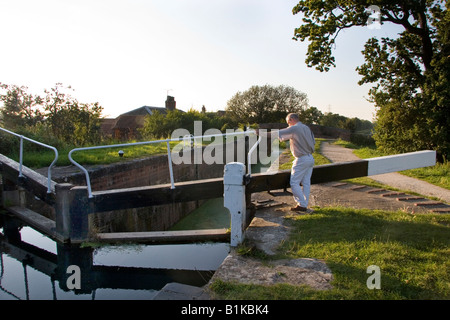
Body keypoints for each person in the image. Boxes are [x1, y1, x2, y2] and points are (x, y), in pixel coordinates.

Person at [257, 113, 315, 212]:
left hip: (301, 159)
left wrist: (259, 133)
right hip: (310, 158)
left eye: (288, 122)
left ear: (292, 119)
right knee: (306, 182)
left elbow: (275, 134)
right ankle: (304, 203)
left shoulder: (295, 128)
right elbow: (313, 142)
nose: (288, 125)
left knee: (294, 182)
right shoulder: (306, 128)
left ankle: (302, 204)